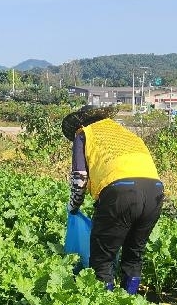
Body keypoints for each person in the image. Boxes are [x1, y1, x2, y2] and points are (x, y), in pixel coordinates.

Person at [62, 105, 164, 294]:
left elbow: (80, 177)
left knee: (102, 258)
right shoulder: (127, 135)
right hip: (155, 191)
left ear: (81, 122)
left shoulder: (83, 133)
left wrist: (73, 207)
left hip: (120, 192)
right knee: (134, 255)